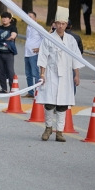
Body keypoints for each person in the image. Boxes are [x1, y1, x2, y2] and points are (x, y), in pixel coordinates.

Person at [36, 7, 83, 142]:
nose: (61, 26)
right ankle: (48, 127)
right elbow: (43, 57)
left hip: (66, 76)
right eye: (58, 23)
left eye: (63, 24)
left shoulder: (71, 40)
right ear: (55, 24)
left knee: (63, 104)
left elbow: (76, 59)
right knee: (49, 103)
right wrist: (42, 74)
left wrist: (76, 75)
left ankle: (60, 131)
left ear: (66, 25)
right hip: (51, 74)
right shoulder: (48, 39)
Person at [0, 12, 18, 93]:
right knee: (1, 71)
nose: (4, 19)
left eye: (6, 17)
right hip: (0, 52)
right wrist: (5, 37)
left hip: (9, 52)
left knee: (10, 71)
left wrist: (5, 37)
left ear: (10, 19)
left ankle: (13, 88)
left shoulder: (13, 27)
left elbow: (13, 36)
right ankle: (3, 88)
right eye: (3, 17)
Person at [24, 11, 43, 98]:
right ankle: (30, 92)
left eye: (31, 17)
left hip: (34, 54)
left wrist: (40, 49)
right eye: (28, 17)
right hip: (27, 53)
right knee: (28, 74)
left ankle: (38, 92)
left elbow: (45, 39)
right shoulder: (28, 27)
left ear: (35, 18)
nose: (29, 18)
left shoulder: (38, 27)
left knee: (35, 73)